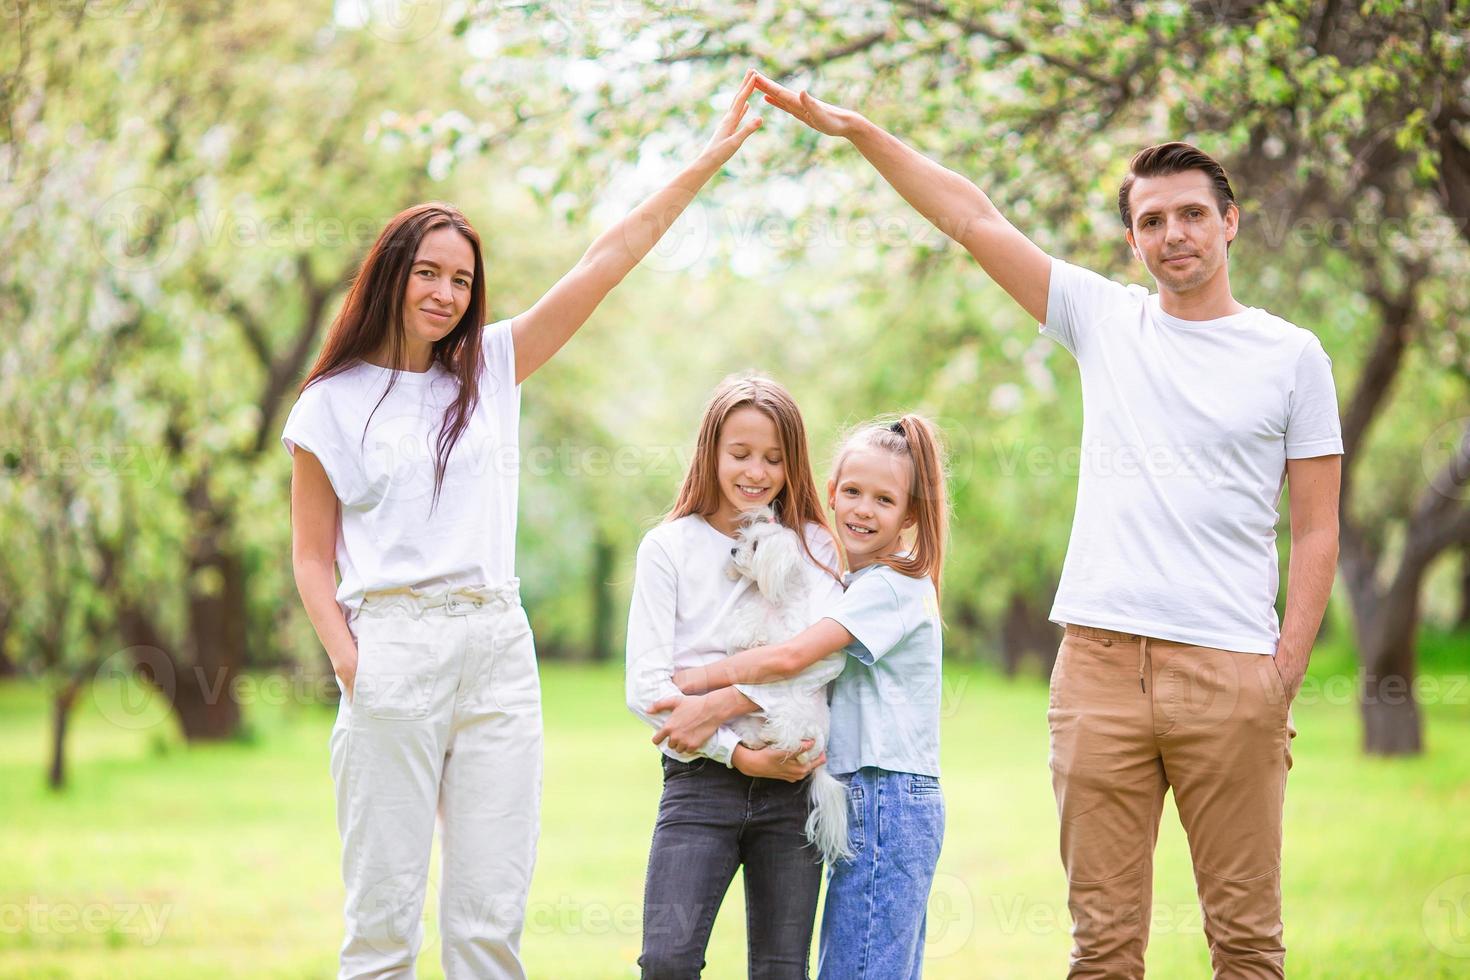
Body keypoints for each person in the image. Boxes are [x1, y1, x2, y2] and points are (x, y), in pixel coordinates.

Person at [750, 71, 1342, 978]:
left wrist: (1281, 679)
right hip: (1099, 674)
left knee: (1247, 946)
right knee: (1101, 950)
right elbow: (973, 218)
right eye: (1150, 221)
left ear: (1230, 221)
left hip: (1229, 671)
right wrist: (857, 129)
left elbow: (1317, 530)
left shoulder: (1292, 356)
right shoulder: (1108, 321)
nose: (1171, 234)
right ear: (1133, 239)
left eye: (1189, 214)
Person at [282, 71, 766, 980]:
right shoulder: (330, 405)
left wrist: (706, 160)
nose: (446, 292)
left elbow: (606, 258)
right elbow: (312, 557)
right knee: (382, 926)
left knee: (489, 925)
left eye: (462, 278)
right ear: (391, 274)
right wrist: (354, 663)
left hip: (497, 650)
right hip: (392, 647)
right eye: (427, 271)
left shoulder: (492, 368)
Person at [665, 413, 950, 980]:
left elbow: (793, 657)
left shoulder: (891, 587)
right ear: (831, 493)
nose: (863, 510)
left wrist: (700, 686)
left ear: (911, 515)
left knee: (859, 967)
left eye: (884, 500)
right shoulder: (859, 586)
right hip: (877, 793)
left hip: (884, 795)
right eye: (852, 492)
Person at [625, 374, 845, 978]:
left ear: (793, 462)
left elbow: (826, 653)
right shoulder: (667, 548)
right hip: (700, 783)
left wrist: (721, 701)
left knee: (781, 968)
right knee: (667, 961)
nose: (757, 472)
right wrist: (737, 755)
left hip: (794, 780)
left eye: (775, 458)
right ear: (711, 453)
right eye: (740, 454)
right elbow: (648, 686)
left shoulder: (815, 546)